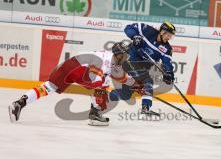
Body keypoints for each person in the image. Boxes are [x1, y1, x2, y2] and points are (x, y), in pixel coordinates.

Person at [8, 42, 136, 126]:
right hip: (79, 69)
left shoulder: (113, 60)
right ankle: (95, 113)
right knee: (102, 83)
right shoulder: (105, 60)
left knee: (49, 87)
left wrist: (135, 84)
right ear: (118, 55)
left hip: (71, 64)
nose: (126, 58)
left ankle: (19, 103)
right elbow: (97, 79)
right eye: (125, 55)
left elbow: (121, 76)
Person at [123, 21, 176, 116]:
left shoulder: (167, 49)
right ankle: (145, 108)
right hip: (130, 59)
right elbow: (128, 27)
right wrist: (135, 36)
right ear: (162, 32)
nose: (169, 38)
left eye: (171, 36)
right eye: (168, 35)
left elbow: (167, 62)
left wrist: (169, 73)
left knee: (126, 93)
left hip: (142, 67)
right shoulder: (148, 31)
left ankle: (111, 97)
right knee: (148, 81)